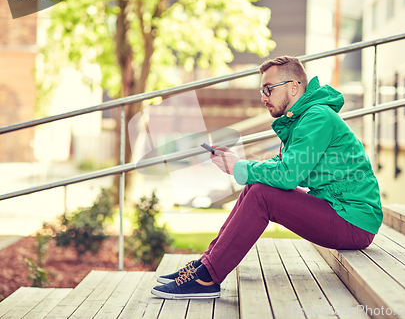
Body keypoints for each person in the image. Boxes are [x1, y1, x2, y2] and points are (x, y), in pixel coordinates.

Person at [151, 56, 383, 299]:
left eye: (268, 89)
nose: (263, 97)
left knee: (263, 195)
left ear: (294, 86)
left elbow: (289, 175)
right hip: (339, 210)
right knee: (256, 186)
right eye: (262, 90)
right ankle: (205, 265)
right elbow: (282, 165)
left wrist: (241, 168)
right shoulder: (304, 117)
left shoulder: (317, 117)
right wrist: (241, 166)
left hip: (353, 221)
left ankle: (207, 277)